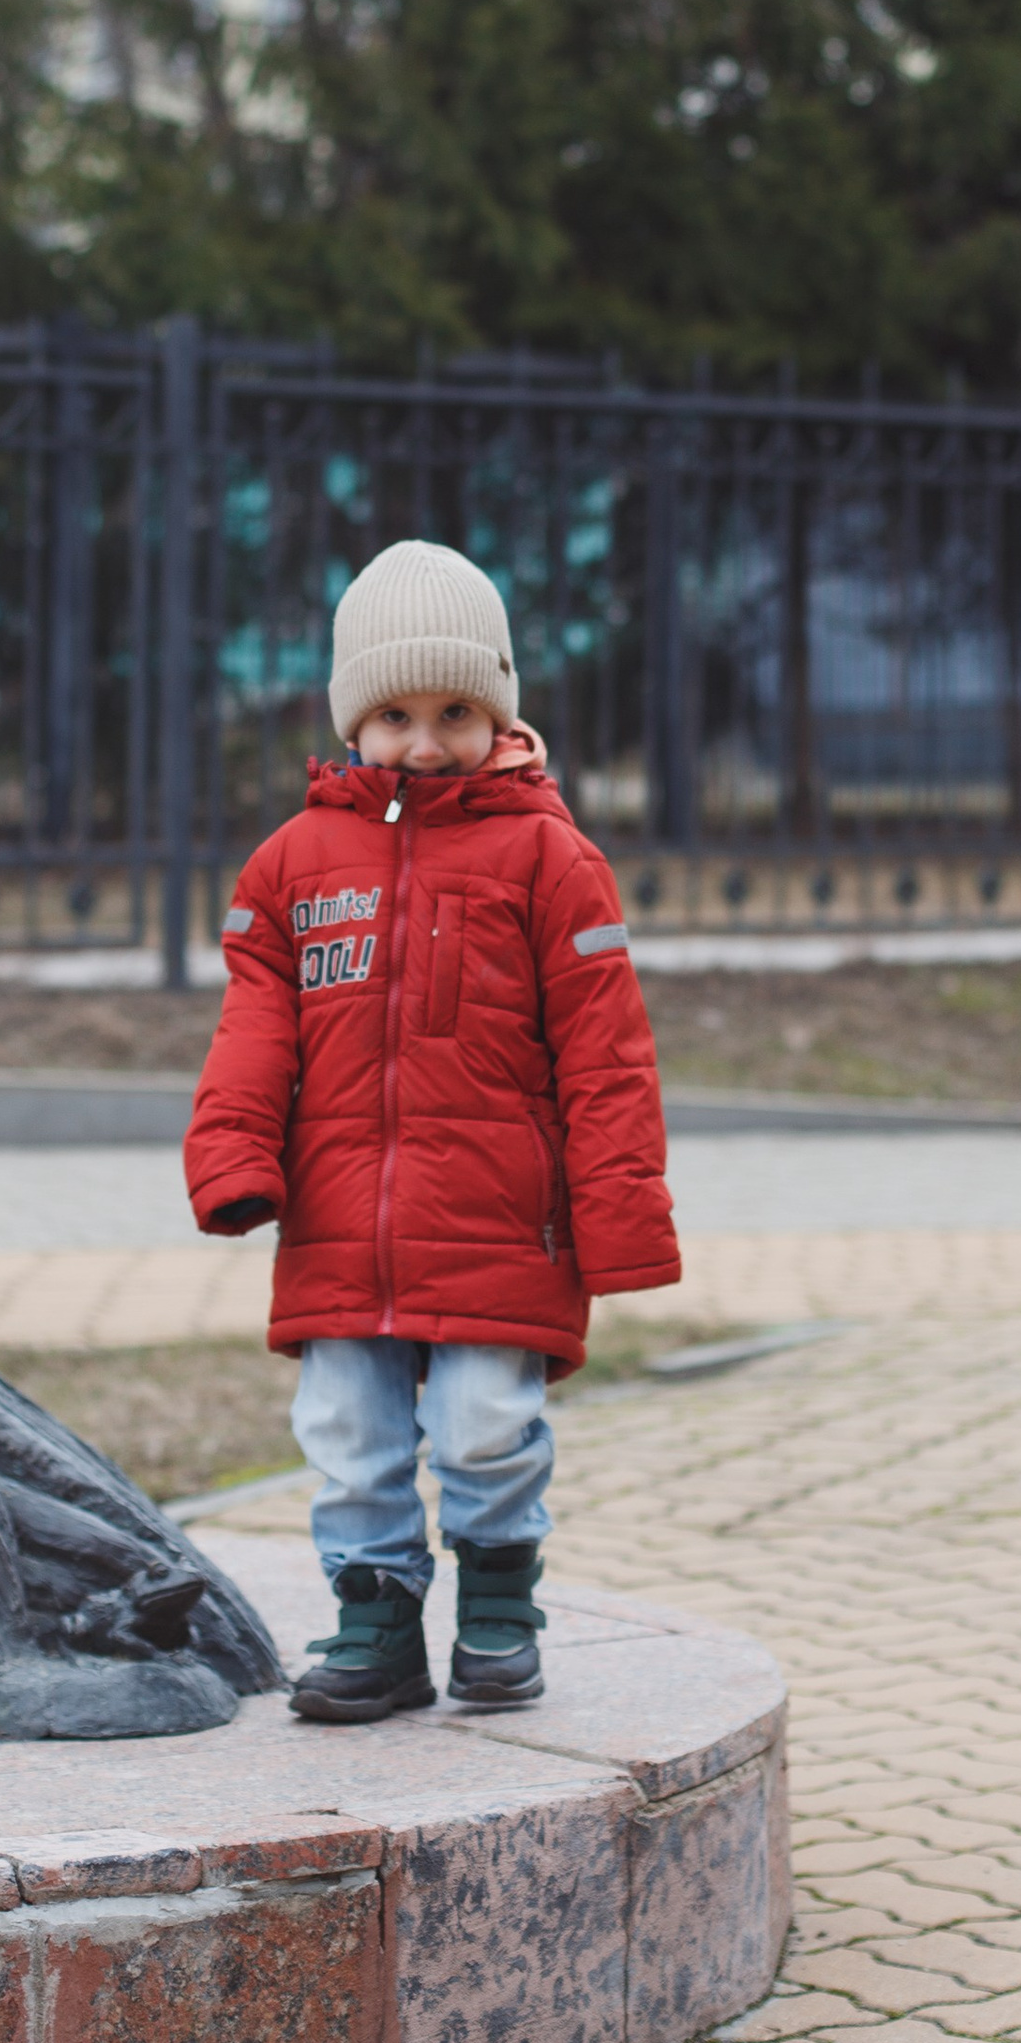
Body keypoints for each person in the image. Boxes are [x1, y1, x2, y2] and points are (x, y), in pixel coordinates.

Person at [184, 538, 681, 1721]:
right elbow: (255, 1028)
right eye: (394, 713)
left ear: (499, 709)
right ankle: (376, 1626)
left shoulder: (549, 859)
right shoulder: (295, 867)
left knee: (484, 1429)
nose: (423, 741)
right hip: (339, 1222)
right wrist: (233, 1159)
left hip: (504, 1219)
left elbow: (607, 1058)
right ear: (351, 717)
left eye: (457, 710)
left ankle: (501, 1605)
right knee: (346, 1435)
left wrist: (619, 1219)